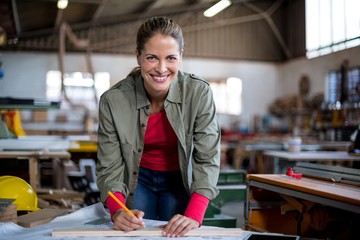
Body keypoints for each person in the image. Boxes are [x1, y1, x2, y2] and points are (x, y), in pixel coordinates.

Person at [96, 16, 221, 238]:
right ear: (138, 57)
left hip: (179, 180)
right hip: (138, 179)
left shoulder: (199, 93)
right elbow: (109, 165)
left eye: (171, 58)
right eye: (152, 58)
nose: (161, 69)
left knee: (176, 235)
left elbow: (207, 157)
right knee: (134, 235)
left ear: (181, 57)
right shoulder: (113, 101)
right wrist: (117, 210)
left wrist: (194, 215)